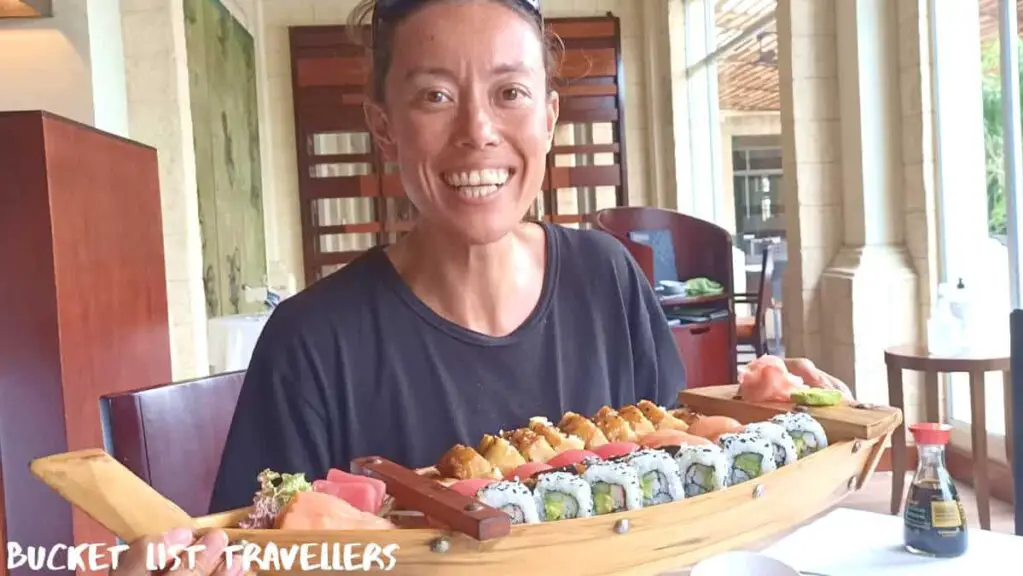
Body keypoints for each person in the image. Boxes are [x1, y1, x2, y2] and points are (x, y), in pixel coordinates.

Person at [112, 0, 846, 572]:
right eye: (434, 96)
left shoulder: (608, 278)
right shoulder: (314, 339)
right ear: (385, 127)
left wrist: (782, 424)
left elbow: (682, 494)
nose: (478, 132)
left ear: (550, 118)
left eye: (511, 93)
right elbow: (258, 545)